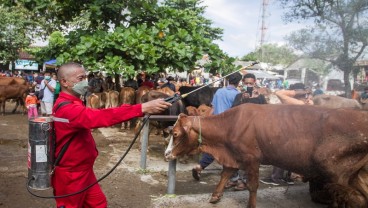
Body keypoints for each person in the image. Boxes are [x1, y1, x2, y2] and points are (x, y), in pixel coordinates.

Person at [52, 62, 171, 208]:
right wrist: (142, 107)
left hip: (84, 170)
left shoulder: (73, 103)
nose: (85, 82)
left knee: (98, 204)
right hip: (71, 174)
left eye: (85, 77)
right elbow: (102, 116)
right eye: (80, 78)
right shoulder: (68, 108)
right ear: (64, 82)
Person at [192, 72, 242, 181]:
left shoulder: (219, 91)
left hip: (216, 123)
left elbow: (213, 108)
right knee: (230, 151)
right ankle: (233, 177)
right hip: (229, 126)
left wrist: (207, 121)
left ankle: (200, 166)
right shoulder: (237, 94)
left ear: (228, 80)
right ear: (239, 82)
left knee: (214, 147)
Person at [260, 83, 313, 186]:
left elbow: (279, 92)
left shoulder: (295, 102)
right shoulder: (309, 102)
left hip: (289, 132)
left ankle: (277, 178)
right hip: (301, 133)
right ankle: (286, 177)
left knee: (281, 156)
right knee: (289, 156)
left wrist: (298, 92)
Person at [225, 73, 267, 191]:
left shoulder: (260, 97)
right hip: (241, 131)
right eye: (246, 83)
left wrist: (257, 98)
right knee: (236, 155)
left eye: (251, 83)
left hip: (256, 131)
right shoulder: (239, 96)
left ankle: (244, 180)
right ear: (243, 83)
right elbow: (233, 111)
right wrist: (243, 99)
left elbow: (266, 112)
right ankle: (234, 179)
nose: (248, 85)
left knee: (249, 157)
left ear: (255, 83)